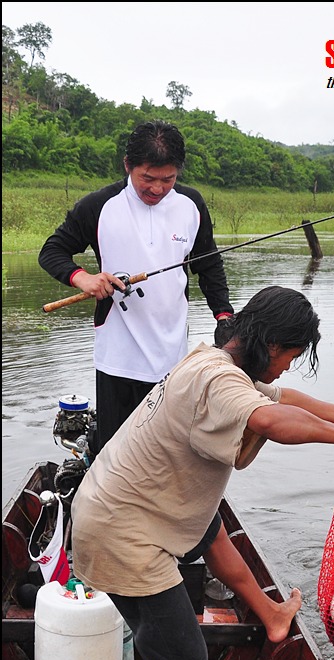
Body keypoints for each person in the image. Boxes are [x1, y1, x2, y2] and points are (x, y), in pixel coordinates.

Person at [70, 285, 334, 660]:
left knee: (210, 529)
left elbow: (283, 400)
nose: (285, 370)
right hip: (124, 530)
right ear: (271, 343)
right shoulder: (217, 381)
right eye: (290, 357)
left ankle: (271, 614)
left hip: (130, 506)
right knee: (178, 655)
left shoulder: (217, 362)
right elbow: (271, 420)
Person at [39, 120, 234, 452]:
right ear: (128, 166)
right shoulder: (99, 205)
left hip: (172, 354)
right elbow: (52, 251)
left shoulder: (191, 205)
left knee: (165, 448)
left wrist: (224, 315)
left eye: (168, 179)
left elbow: (209, 265)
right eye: (148, 178)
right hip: (117, 353)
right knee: (115, 449)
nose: (157, 189)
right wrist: (83, 278)